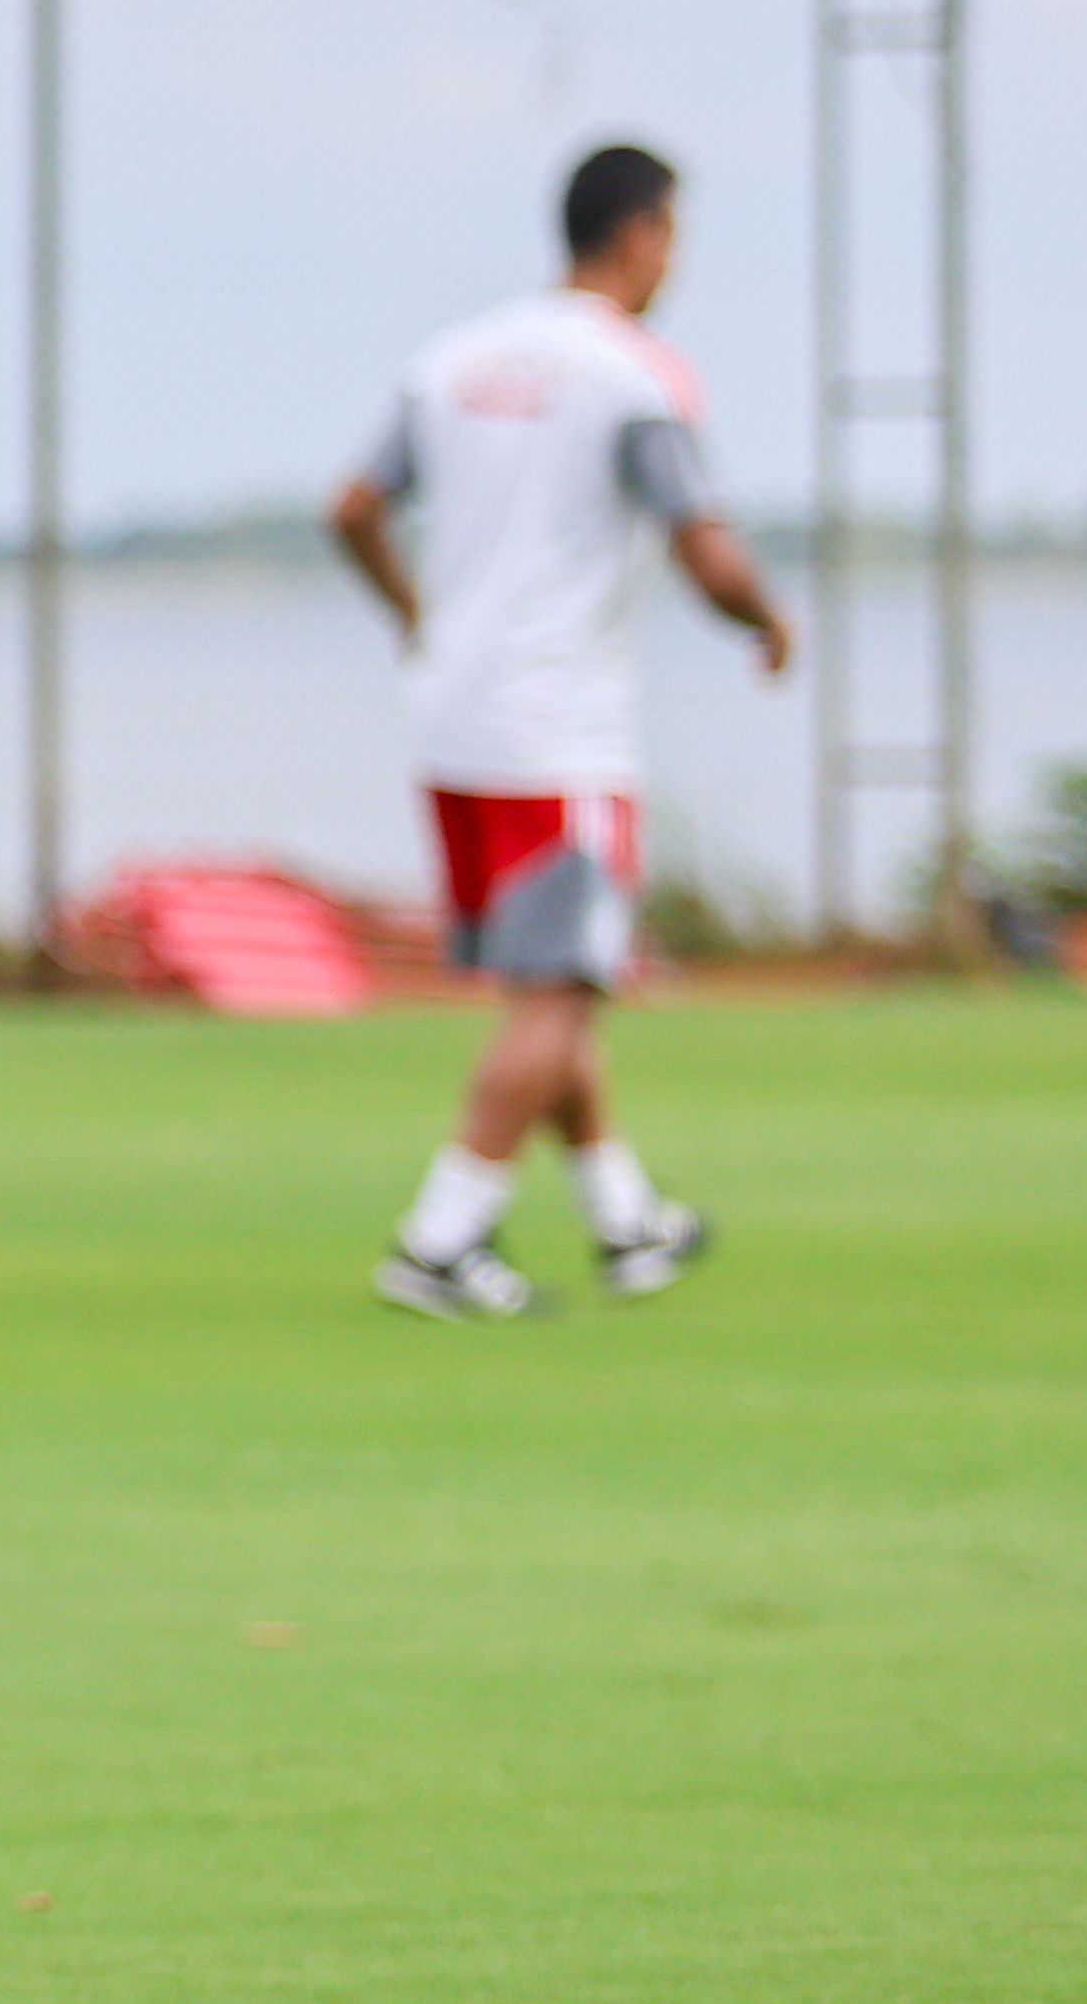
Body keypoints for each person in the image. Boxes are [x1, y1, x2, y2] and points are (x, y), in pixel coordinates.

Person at [330, 141, 795, 1318]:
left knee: (549, 985)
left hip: (455, 721)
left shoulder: (453, 358)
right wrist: (768, 620)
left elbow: (353, 506)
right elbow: (706, 550)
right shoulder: (634, 377)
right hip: (559, 732)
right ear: (642, 236)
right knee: (561, 994)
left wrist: (415, 614)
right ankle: (441, 1238)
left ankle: (624, 1218)